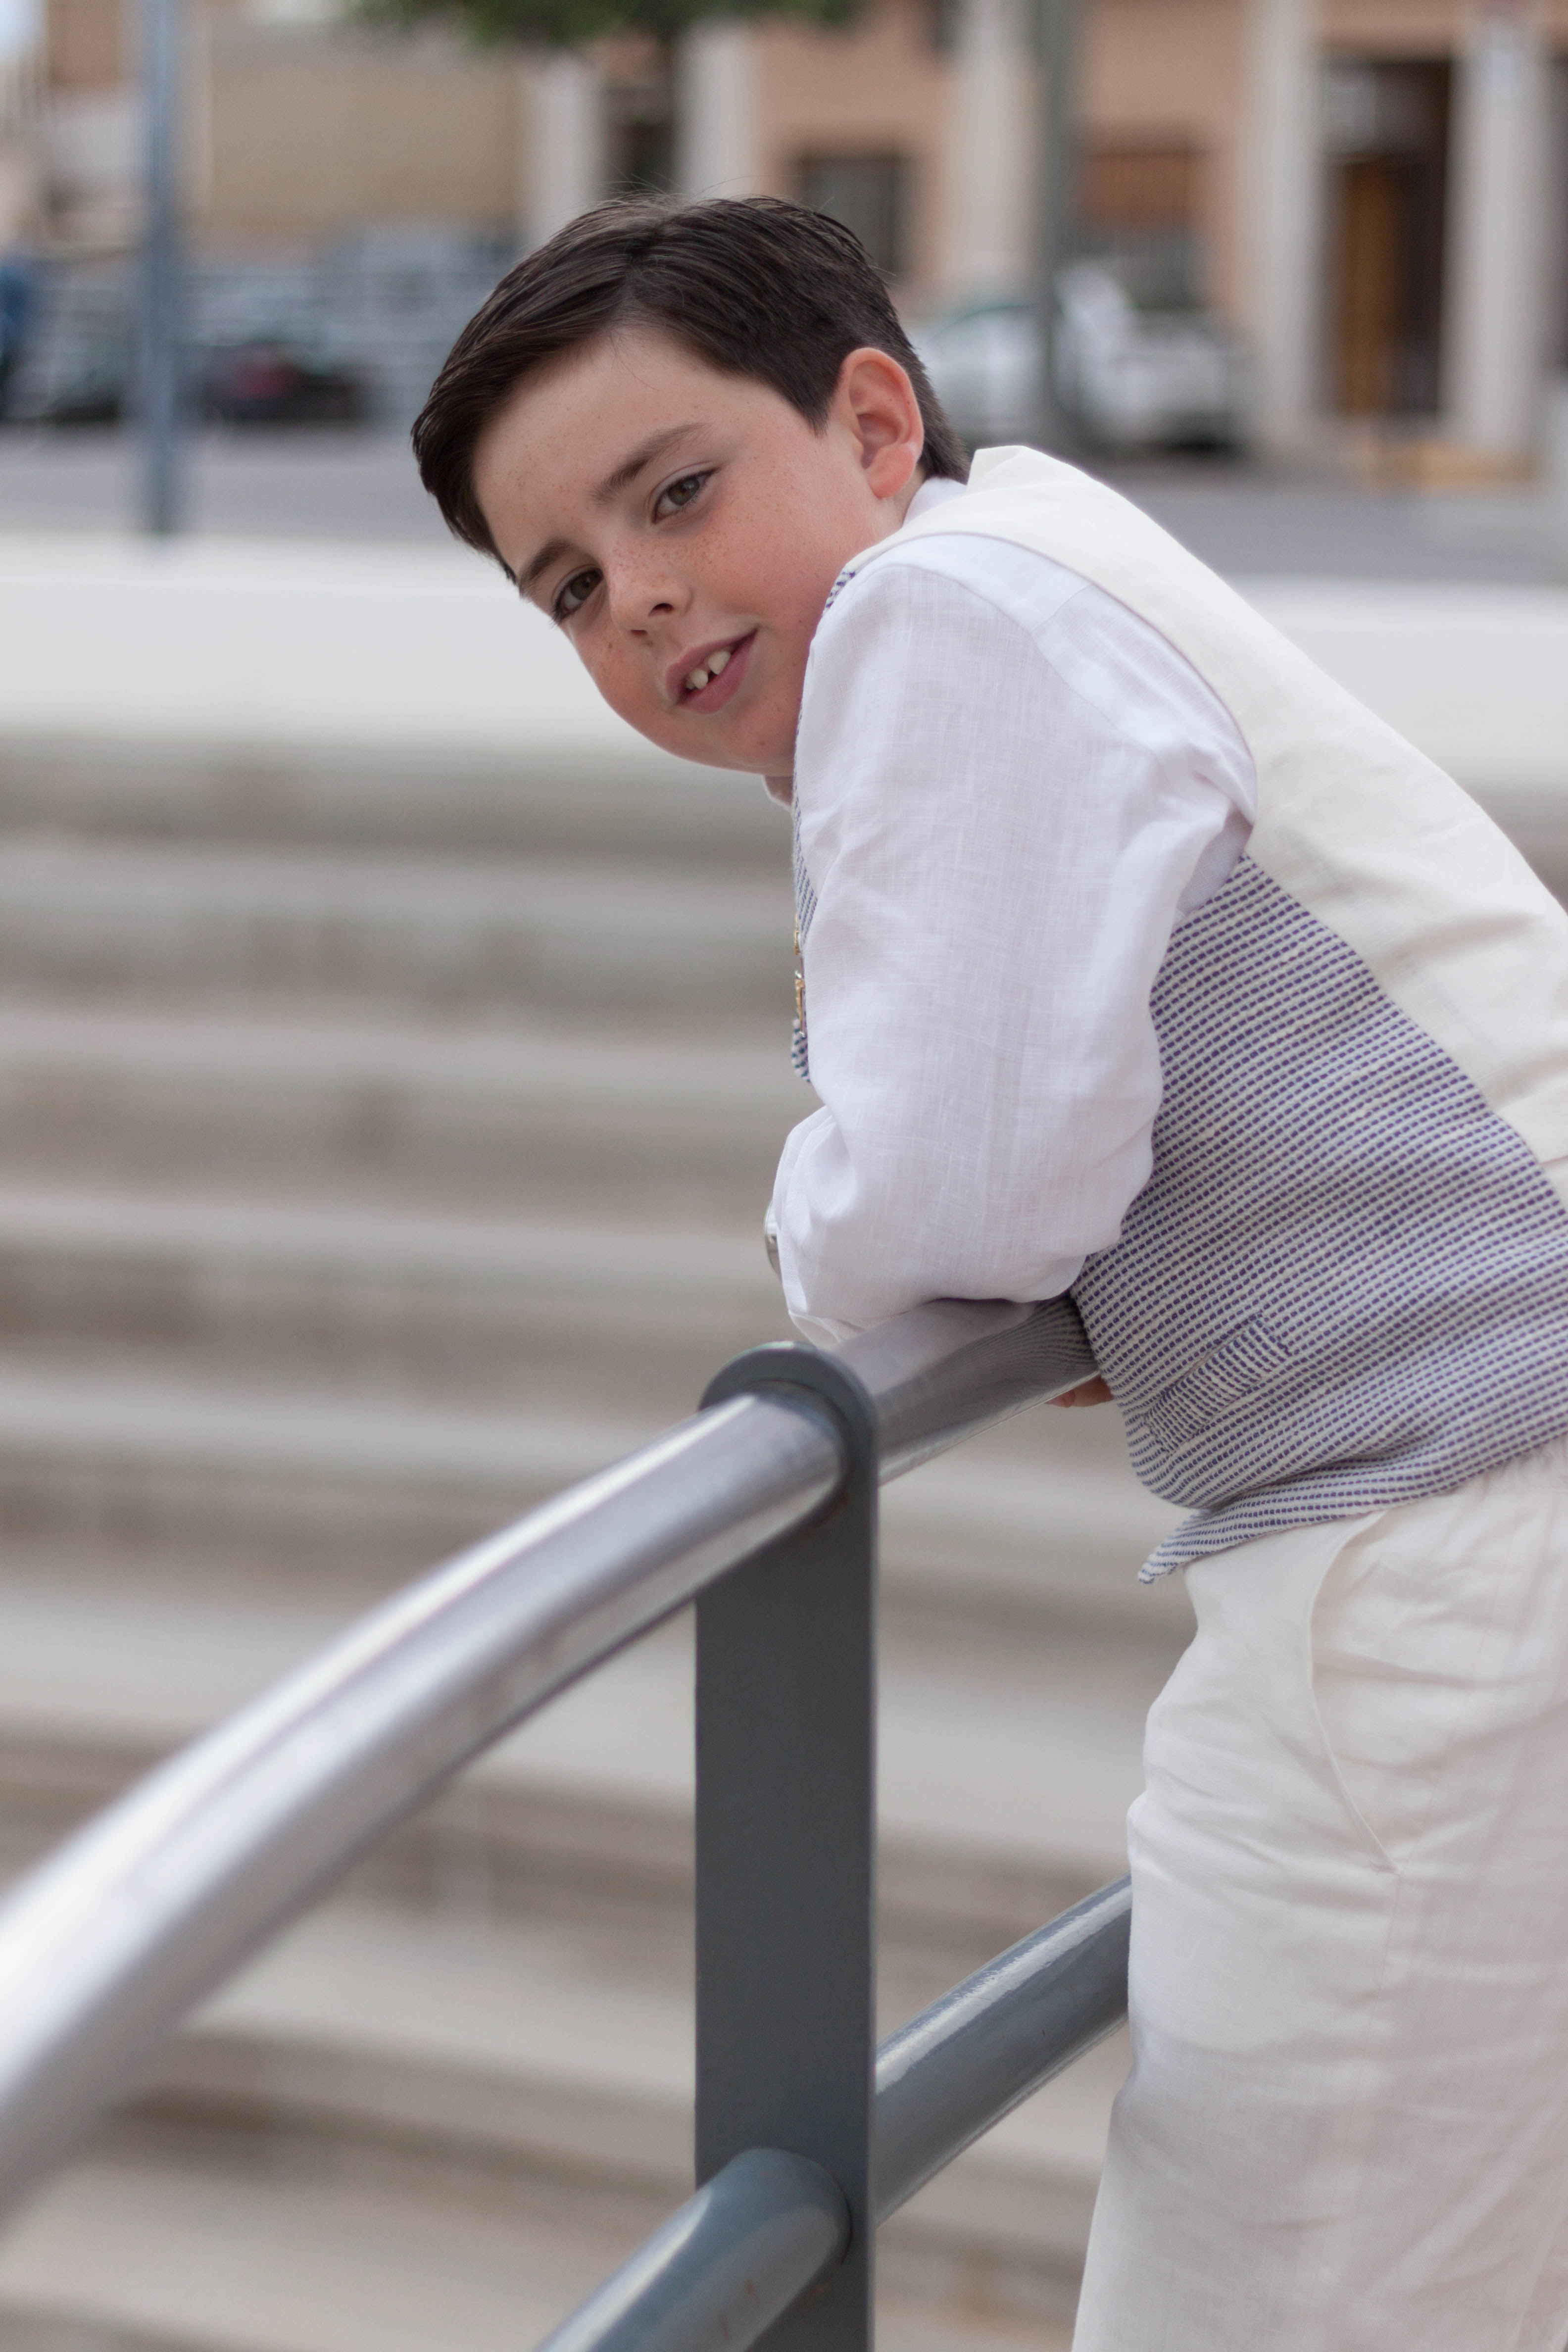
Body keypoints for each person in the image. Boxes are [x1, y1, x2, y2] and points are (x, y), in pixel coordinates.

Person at [411, 195, 1568, 2350]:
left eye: (675, 494)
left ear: (873, 424)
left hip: (1444, 1567)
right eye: (567, 584)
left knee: (1266, 2298)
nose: (639, 594)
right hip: (1489, 1510)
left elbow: (939, 1209)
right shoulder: (1031, 560)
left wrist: (855, 1221)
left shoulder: (940, 621)